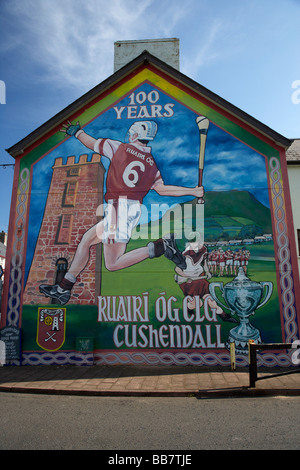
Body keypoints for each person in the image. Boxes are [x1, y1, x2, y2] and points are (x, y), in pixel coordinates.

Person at [39, 120, 204, 305]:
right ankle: (63, 288)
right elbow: (163, 190)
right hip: (131, 209)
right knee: (86, 240)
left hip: (119, 207)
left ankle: (162, 247)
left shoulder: (119, 147)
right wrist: (193, 190)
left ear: (134, 134)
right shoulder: (151, 164)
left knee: (112, 264)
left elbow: (92, 143)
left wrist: (77, 133)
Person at [174, 234, 237, 323]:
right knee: (198, 304)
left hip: (200, 278)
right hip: (189, 282)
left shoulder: (203, 250)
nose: (197, 244)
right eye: (194, 242)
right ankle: (189, 307)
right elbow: (177, 269)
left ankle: (224, 316)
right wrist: (186, 276)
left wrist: (207, 272)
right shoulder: (185, 254)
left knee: (210, 299)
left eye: (198, 241)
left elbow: (204, 263)